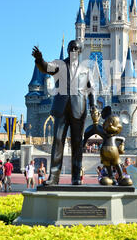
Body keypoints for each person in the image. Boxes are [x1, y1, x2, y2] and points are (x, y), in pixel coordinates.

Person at [32, 41, 98, 185]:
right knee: (57, 140)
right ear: (68, 50)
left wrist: (93, 105)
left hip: (78, 108)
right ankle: (54, 177)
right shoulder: (59, 65)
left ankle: (76, 177)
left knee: (77, 143)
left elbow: (91, 89)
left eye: (76, 48)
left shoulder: (86, 70)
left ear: (80, 51)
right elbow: (46, 68)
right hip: (61, 108)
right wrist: (39, 60)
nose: (73, 50)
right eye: (71, 48)